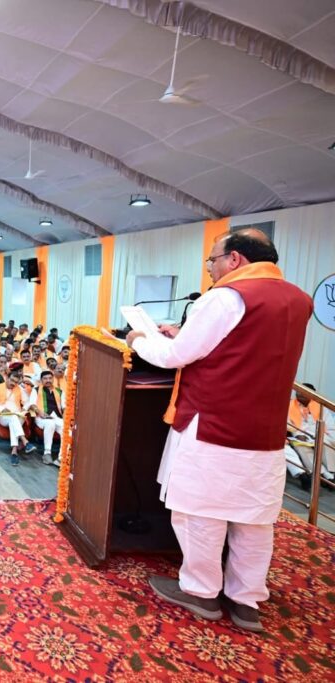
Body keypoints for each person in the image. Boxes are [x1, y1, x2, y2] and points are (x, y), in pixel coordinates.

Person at [126, 229, 312, 633]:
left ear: (235, 259)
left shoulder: (226, 297)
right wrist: (185, 334)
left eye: (212, 259)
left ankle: (201, 590)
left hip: (213, 422)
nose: (210, 268)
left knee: (200, 512)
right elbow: (244, 347)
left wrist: (140, 340)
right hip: (265, 429)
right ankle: (246, 600)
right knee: (253, 519)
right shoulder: (299, 299)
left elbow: (176, 357)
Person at [0, 371, 36, 466]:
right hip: (3, 415)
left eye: (15, 382)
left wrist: (24, 409)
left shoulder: (20, 389)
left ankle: (14, 452)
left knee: (14, 419)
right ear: (7, 378)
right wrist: (2, 408)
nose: (13, 383)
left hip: (18, 415)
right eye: (11, 380)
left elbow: (27, 402)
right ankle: (25, 441)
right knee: (13, 419)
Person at [30, 370, 64, 466]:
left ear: (53, 379)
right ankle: (47, 453)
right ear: (41, 380)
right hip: (42, 418)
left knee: (66, 429)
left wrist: (66, 418)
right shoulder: (36, 390)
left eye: (50, 378)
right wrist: (40, 412)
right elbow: (32, 404)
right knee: (50, 423)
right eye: (45, 378)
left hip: (57, 417)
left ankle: (61, 458)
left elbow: (64, 407)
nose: (48, 380)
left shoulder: (60, 391)